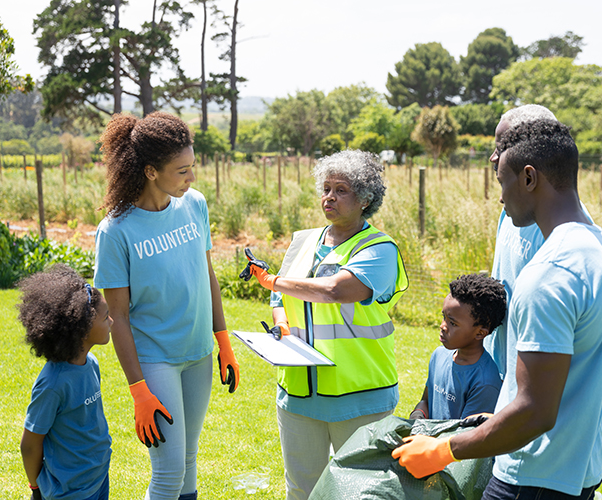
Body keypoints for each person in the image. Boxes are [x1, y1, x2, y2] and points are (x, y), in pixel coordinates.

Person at [392, 119, 602, 500]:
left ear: (528, 178)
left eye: (502, 181)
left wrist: (442, 451)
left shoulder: (548, 274)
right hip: (584, 463)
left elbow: (535, 411)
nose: (501, 198)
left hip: (535, 471)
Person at [243, 149, 409, 500]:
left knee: (360, 492)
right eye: (326, 188)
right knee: (302, 490)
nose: (329, 197)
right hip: (299, 395)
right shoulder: (303, 240)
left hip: (360, 397)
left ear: (365, 199)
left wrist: (273, 281)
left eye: (342, 190)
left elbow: (338, 290)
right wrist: (281, 324)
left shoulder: (380, 248)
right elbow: (280, 301)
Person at [93, 112, 239, 500]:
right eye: (182, 171)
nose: (192, 178)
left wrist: (222, 340)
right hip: (155, 360)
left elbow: (206, 275)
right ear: (151, 172)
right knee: (169, 472)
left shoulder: (195, 205)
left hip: (198, 354)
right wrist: (138, 389)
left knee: (189, 460)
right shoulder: (116, 231)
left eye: (192, 167)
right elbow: (118, 316)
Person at [485, 104, 592, 380]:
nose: (494, 156)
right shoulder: (511, 212)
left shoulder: (562, 231)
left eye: (504, 145)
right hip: (497, 375)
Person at [19, 264, 113, 500]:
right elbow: (30, 445)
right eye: (105, 317)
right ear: (82, 330)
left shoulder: (91, 363)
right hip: (70, 492)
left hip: (98, 476)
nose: (111, 321)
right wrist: (36, 487)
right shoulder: (53, 384)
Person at [409, 273, 506, 420]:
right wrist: (417, 417)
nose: (443, 326)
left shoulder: (485, 382)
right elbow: (426, 401)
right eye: (444, 317)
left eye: (452, 323)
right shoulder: (438, 355)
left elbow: (466, 435)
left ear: (480, 333)